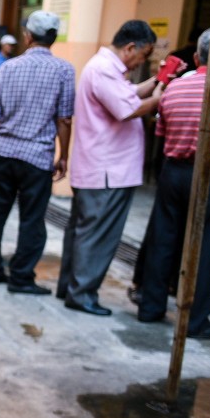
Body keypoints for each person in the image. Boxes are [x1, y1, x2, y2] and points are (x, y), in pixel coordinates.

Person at [57, 20, 163, 316]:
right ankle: (82, 293)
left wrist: (154, 83)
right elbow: (127, 108)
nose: (143, 61)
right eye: (144, 55)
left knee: (82, 232)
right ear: (130, 47)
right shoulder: (104, 69)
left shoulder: (108, 70)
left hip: (101, 168)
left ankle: (71, 286)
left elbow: (127, 95)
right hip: (107, 171)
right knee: (97, 236)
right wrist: (160, 100)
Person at [0, 11, 74, 294]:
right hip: (37, 158)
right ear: (53, 38)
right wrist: (63, 156)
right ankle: (20, 277)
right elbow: (64, 119)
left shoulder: (7, 68)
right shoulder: (64, 70)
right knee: (32, 220)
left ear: (27, 36)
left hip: (3, 153)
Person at [137, 29, 210, 341]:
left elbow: (160, 133)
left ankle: (151, 306)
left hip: (172, 170)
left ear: (197, 57)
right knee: (205, 246)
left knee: (163, 239)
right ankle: (196, 321)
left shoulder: (174, 88)